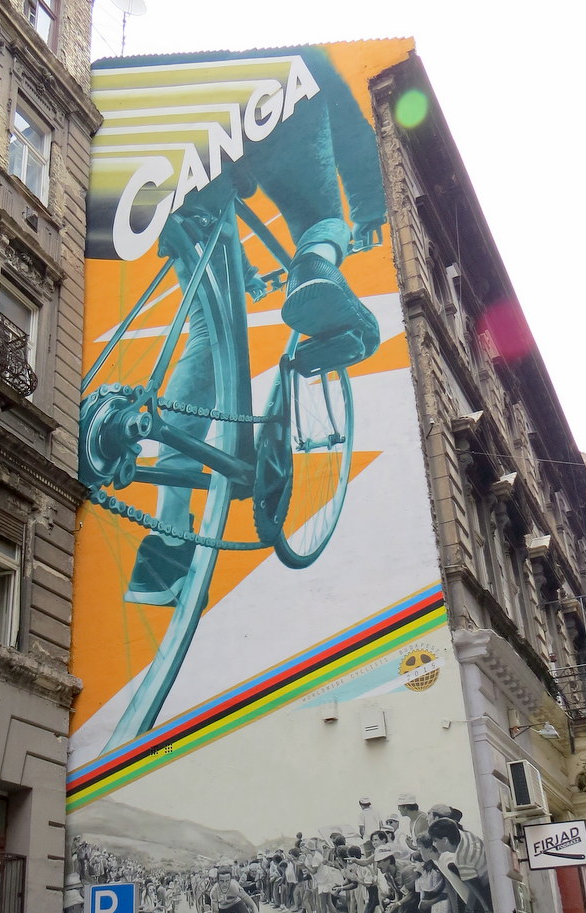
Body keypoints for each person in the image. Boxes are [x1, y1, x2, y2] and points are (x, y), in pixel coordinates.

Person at [94, 45, 387, 607]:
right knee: (325, 220)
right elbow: (350, 127)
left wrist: (244, 270)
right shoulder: (298, 61)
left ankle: (166, 542)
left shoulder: (196, 79)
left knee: (208, 330)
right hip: (274, 112)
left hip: (173, 148)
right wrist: (372, 208)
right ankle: (314, 266)